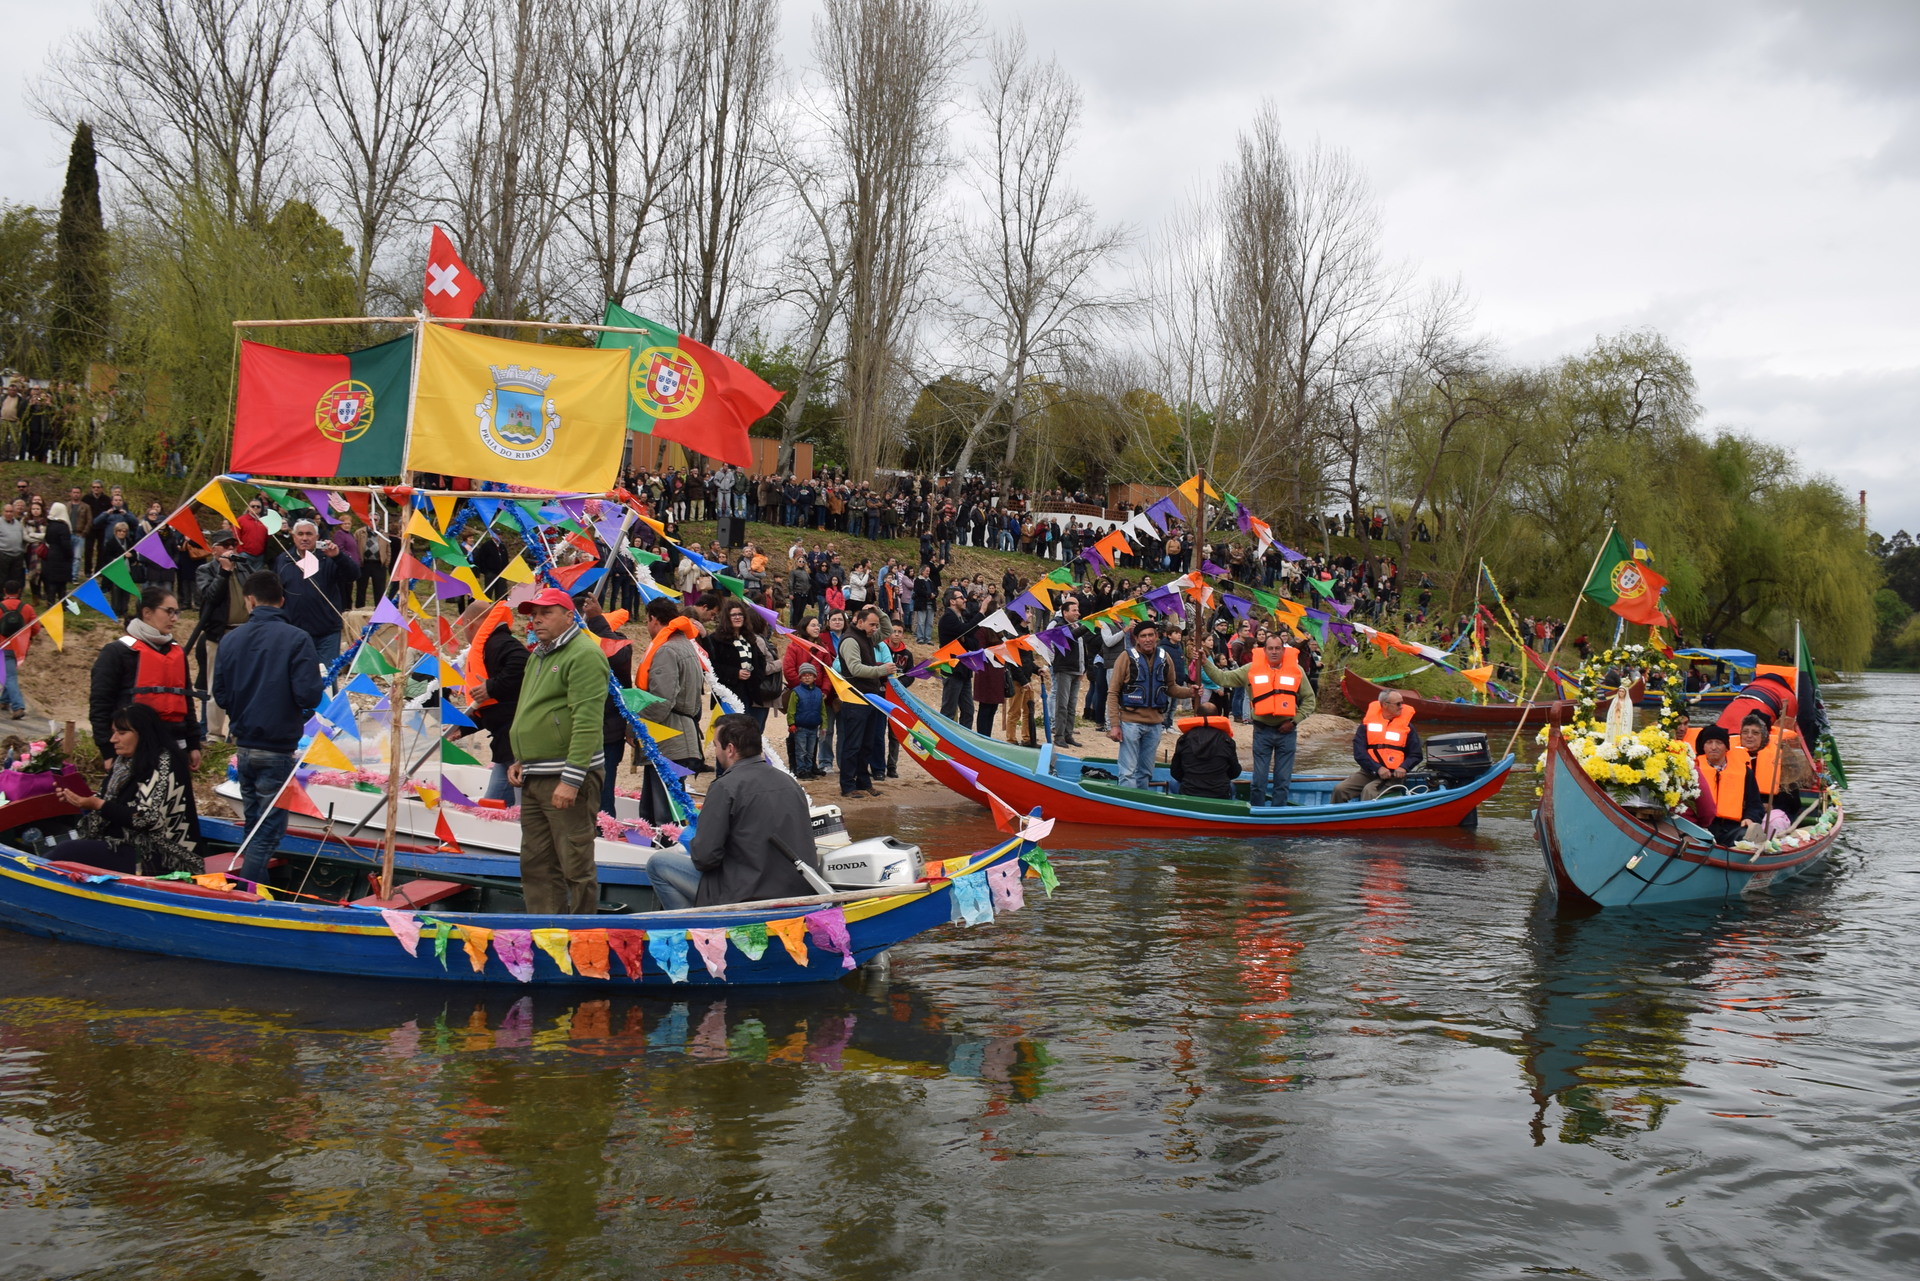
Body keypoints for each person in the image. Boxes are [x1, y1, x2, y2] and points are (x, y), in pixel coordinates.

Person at [504, 588, 611, 914]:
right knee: (535, 861)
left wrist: (572, 778)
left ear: (569, 615)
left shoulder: (584, 655)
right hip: (537, 773)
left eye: (545, 612)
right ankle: (545, 933)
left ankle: (583, 936)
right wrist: (521, 757)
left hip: (565, 774)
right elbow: (530, 709)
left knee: (574, 862)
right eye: (532, 614)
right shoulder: (538, 654)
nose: (536, 619)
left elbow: (587, 721)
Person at [646, 714, 822, 910]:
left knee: (658, 863)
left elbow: (705, 858)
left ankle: (691, 929)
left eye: (715, 745)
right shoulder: (790, 782)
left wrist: (694, 843)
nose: (715, 751)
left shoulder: (725, 787)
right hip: (797, 892)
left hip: (745, 895)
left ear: (730, 749)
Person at [212, 571, 323, 880]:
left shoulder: (230, 639)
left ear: (250, 601)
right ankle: (249, 894)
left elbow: (220, 696)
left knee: (254, 826)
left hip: (244, 746)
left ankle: (256, 889)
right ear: (282, 601)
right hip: (276, 747)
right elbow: (310, 694)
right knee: (268, 832)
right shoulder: (297, 638)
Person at [50, 703, 201, 876]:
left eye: (121, 733)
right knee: (57, 851)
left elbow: (147, 818)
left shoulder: (166, 764)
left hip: (160, 854)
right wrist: (78, 798)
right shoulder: (123, 762)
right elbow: (110, 804)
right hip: (124, 842)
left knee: (66, 851)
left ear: (143, 734)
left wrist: (99, 805)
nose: (113, 739)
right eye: (114, 732)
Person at [1205, 632, 1316, 808]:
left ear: (1283, 650)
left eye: (1277, 648)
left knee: (1283, 780)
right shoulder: (1250, 669)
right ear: (1264, 650)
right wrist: (1204, 662)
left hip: (1287, 731)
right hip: (1262, 731)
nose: (1274, 652)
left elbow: (1310, 700)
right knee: (1259, 780)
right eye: (1270, 648)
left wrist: (1294, 721)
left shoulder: (1297, 670)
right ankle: (1257, 812)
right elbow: (1222, 678)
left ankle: (1278, 816)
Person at [633, 597, 706, 825]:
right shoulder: (686, 645)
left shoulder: (666, 650)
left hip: (669, 737)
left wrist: (638, 726)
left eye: (646, 621)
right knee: (669, 804)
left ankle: (664, 855)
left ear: (654, 619)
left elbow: (661, 700)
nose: (647, 627)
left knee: (664, 814)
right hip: (683, 735)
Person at [1105, 621, 1196, 790]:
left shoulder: (1164, 657)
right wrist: (1115, 725)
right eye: (1143, 636)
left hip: (1155, 724)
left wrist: (1189, 692)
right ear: (1136, 639)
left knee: (1146, 771)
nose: (1147, 639)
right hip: (1130, 722)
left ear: (1156, 636)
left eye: (1150, 635)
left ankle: (1141, 807)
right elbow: (1113, 693)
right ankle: (1128, 808)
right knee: (1128, 771)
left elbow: (1172, 688)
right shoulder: (1125, 657)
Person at [577, 594, 635, 817]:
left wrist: (596, 621)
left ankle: (604, 826)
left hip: (607, 731)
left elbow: (617, 655)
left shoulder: (619, 643)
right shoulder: (571, 645)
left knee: (603, 785)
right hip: (576, 730)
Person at [837, 606, 897, 798]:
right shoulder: (850, 640)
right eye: (872, 624)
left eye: (875, 625)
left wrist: (879, 612)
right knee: (853, 743)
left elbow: (887, 631)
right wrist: (881, 670)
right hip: (855, 698)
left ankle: (863, 781)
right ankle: (847, 785)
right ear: (859, 622)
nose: (875, 628)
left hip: (870, 697)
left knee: (867, 743)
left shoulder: (866, 636)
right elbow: (855, 669)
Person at [274, 518, 350, 670]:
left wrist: (338, 557)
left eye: (309, 534)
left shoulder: (329, 558)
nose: (304, 538)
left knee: (327, 678)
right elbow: (276, 593)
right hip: (294, 631)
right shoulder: (283, 560)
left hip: (326, 632)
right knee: (297, 676)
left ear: (317, 537)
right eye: (300, 534)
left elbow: (353, 574)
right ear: (293, 536)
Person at [1332, 689, 1423, 803]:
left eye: (1402, 703)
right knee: (1340, 789)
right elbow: (1359, 753)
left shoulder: (1407, 728)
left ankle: (1365, 819)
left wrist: (1403, 767)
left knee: (1369, 791)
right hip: (1369, 772)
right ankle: (1337, 817)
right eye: (1398, 704)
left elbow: (1416, 754)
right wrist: (1377, 768)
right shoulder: (1366, 726)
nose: (1402, 707)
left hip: (1393, 775)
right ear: (1385, 705)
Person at [1169, 698, 1241, 799]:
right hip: (1219, 793)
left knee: (1173, 783)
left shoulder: (1184, 739)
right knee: (1232, 786)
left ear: (1197, 717)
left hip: (1189, 791)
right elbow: (1235, 772)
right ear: (1217, 717)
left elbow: (1175, 772)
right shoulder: (1227, 741)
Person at [1051, 597, 1092, 747]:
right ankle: (1059, 735)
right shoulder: (1060, 626)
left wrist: (1084, 668)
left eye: (1078, 610)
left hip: (1077, 670)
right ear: (1065, 612)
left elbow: (1082, 649)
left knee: (1072, 705)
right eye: (1074, 610)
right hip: (1064, 669)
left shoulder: (1076, 625)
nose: (1078, 613)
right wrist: (1088, 625)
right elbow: (1072, 636)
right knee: (1062, 704)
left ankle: (1068, 734)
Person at [937, 589, 977, 724]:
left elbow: (974, 643)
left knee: (968, 711)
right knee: (949, 710)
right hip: (952, 669)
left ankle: (964, 741)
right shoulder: (948, 618)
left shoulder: (963, 618)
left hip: (965, 669)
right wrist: (982, 612)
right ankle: (944, 742)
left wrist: (966, 638)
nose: (965, 599)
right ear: (952, 601)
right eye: (961, 597)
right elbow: (966, 630)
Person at [0, 579, 36, 720]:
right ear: (19, 591)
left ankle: (18, 706)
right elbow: (36, 628)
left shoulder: (1, 606)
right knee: (10, 674)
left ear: (4, 591)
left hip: (3, 646)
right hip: (20, 648)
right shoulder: (27, 608)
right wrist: (26, 637)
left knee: (9, 676)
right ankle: (4, 701)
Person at [785, 663, 825, 777]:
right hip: (800, 728)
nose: (807, 677)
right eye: (804, 675)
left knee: (810, 752)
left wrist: (824, 725)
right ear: (800, 677)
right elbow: (791, 710)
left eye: (810, 675)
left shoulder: (818, 692)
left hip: (813, 727)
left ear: (815, 677)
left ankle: (808, 769)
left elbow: (822, 711)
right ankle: (800, 770)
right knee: (800, 751)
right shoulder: (796, 692)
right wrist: (791, 723)